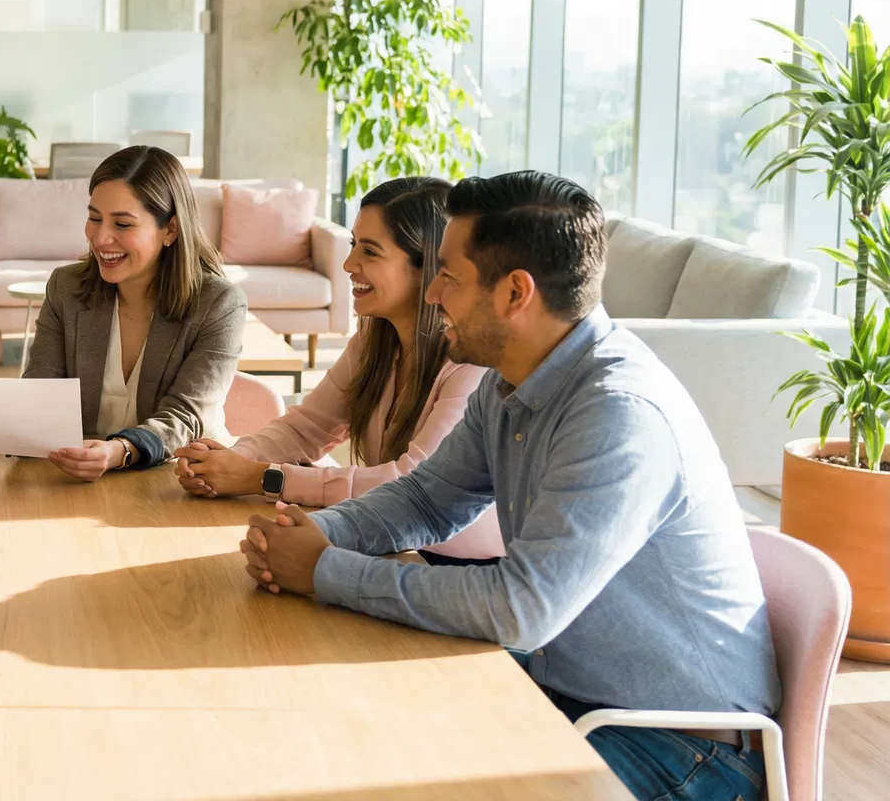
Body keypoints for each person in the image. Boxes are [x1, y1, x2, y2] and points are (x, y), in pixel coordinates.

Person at [240, 171, 778, 801]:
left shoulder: (617, 413)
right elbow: (425, 499)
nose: (433, 293)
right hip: (565, 687)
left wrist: (327, 571)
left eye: (450, 275)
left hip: (679, 744)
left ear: (515, 292)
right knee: (346, 729)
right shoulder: (507, 380)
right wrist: (312, 534)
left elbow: (520, 610)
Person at [174, 177, 501, 562]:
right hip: (387, 543)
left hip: (455, 566)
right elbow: (307, 426)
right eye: (352, 245)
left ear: (426, 267)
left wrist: (262, 477)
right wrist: (228, 462)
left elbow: (409, 486)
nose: (348, 265)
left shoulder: (472, 365)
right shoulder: (373, 338)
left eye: (370, 252)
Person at [23, 145, 244, 482]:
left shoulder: (218, 304)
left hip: (176, 480)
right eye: (94, 218)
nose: (100, 237)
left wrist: (120, 451)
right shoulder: (65, 288)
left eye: (123, 224)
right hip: (75, 480)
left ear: (170, 230)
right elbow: (40, 394)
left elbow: (184, 417)